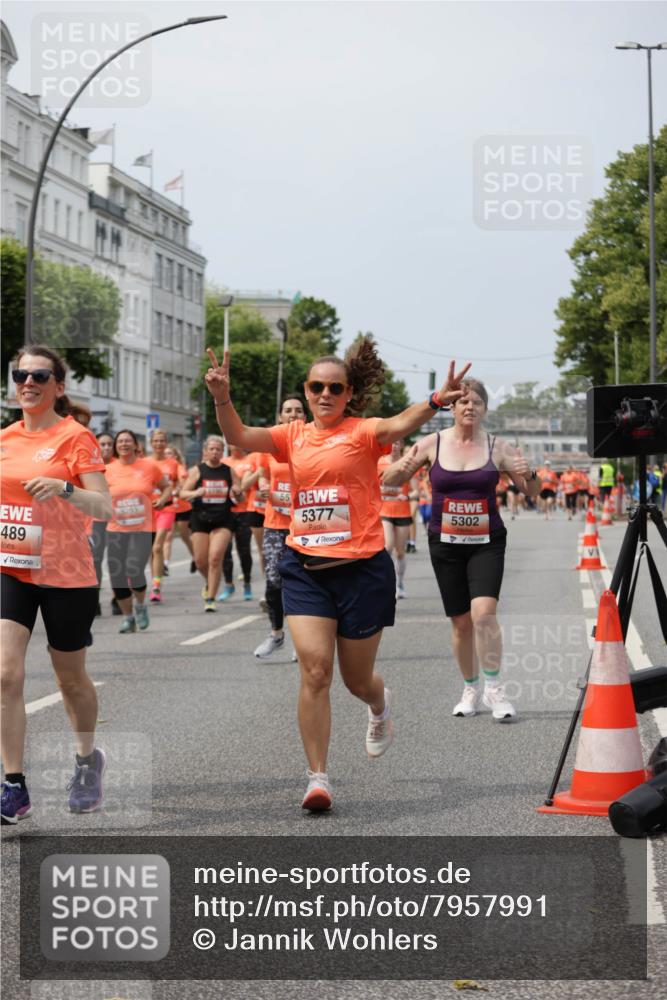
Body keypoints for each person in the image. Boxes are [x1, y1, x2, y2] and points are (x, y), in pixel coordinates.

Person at [205, 338, 471, 811]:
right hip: (305, 568)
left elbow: (399, 423)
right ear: (305, 393)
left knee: (356, 679)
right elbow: (241, 437)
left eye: (334, 387)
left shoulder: (365, 432)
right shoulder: (292, 436)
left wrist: (434, 400)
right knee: (315, 669)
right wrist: (222, 397)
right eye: (316, 387)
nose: (324, 394)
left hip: (362, 572)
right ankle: (317, 778)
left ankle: (379, 704)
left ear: (349, 393)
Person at [382, 378, 541, 723]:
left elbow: (531, 491)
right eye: (463, 402)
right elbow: (392, 481)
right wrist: (397, 462)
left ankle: (495, 689)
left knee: (484, 614)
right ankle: (470, 688)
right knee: (460, 623)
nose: (469, 407)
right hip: (445, 544)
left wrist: (531, 473)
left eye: (477, 403)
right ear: (452, 407)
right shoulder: (431, 443)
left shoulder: (499, 448)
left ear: (485, 410)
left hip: (487, 542)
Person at [1, 345, 112, 823]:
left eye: (39, 375)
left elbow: (104, 507)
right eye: (20, 374)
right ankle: (13, 785)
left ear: (58, 386)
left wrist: (65, 488)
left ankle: (88, 761)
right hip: (11, 567)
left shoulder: (75, 437)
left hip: (67, 574)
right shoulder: (4, 438)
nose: (28, 382)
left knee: (70, 679)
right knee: (5, 673)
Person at [252, 395, 306, 658]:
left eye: (298, 410)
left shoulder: (312, 444)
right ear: (280, 417)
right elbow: (263, 479)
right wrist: (263, 490)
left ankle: (303, 639)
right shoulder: (270, 447)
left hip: (308, 524)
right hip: (275, 523)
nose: (293, 414)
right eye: (288, 410)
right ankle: (276, 634)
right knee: (274, 580)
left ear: (305, 417)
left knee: (304, 582)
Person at [105, 430, 172, 633]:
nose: (124, 444)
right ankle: (128, 617)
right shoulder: (107, 470)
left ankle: (141, 605)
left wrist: (162, 500)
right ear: (116, 446)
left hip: (143, 527)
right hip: (115, 528)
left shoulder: (148, 467)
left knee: (134, 570)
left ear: (136, 445)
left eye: (128, 441)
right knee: (117, 575)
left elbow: (167, 487)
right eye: (120, 441)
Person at [180, 435, 241, 612]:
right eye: (211, 449)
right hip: (200, 518)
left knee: (215, 557)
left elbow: (240, 494)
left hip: (223, 519)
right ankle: (211, 581)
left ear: (223, 452)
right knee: (200, 561)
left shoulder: (228, 471)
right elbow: (183, 493)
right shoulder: (197, 471)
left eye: (218, 449)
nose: (215, 452)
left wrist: (238, 492)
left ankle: (210, 597)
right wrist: (196, 493)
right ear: (205, 452)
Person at [378, 440, 417, 599]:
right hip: (384, 511)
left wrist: (406, 496)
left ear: (401, 446)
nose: (394, 446)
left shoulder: (407, 464)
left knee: (400, 553)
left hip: (402, 513)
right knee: (387, 547)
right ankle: (386, 583)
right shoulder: (379, 462)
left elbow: (416, 492)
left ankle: (399, 583)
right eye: (392, 443)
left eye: (397, 443)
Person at [148, 429, 180, 603]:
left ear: (166, 443)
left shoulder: (172, 463)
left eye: (162, 441)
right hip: (147, 510)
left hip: (166, 508)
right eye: (156, 441)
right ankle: (154, 578)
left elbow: (176, 484)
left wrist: (172, 493)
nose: (159, 444)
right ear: (151, 443)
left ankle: (156, 586)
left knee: (158, 547)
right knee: (150, 550)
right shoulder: (144, 462)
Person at [219, 445, 254, 602]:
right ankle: (229, 584)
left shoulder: (250, 461)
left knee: (244, 550)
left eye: (237, 442)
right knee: (225, 551)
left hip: (244, 511)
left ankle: (247, 583)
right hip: (225, 512)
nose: (234, 445)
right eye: (231, 442)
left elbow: (246, 484)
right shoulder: (223, 462)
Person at [89, 432, 115, 614]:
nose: (106, 448)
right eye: (102, 444)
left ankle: (119, 598)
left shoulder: (120, 466)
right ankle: (94, 601)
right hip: (97, 521)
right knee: (95, 561)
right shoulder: (90, 466)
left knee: (118, 561)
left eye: (109, 444)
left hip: (119, 521)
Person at [162, 445, 194, 573]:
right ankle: (165, 564)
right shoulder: (161, 467)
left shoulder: (178, 466)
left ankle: (195, 556)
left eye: (169, 453)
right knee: (167, 535)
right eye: (165, 453)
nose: (167, 455)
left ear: (175, 456)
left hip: (182, 506)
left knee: (184, 535)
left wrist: (177, 490)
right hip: (169, 506)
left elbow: (183, 481)